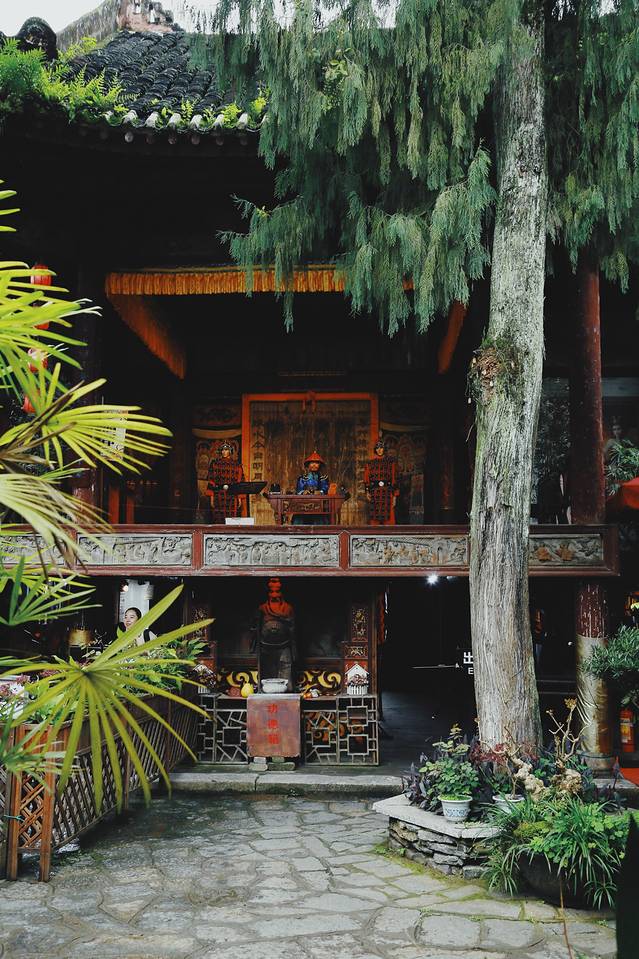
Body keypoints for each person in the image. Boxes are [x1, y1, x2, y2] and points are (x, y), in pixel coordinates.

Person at [252, 578, 296, 691]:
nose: (274, 595)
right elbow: (256, 626)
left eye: (277, 592)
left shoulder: (288, 608)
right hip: (265, 646)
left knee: (286, 668)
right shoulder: (262, 608)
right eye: (272, 592)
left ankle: (287, 692)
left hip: (284, 645)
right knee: (266, 671)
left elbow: (292, 627)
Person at [206, 441, 244, 523]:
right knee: (218, 519)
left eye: (226, 450)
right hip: (218, 495)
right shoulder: (215, 464)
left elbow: (239, 481)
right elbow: (211, 481)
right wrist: (211, 498)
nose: (224, 452)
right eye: (222, 450)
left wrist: (239, 498)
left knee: (231, 520)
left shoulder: (236, 465)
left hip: (232, 495)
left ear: (230, 451)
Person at [364, 438, 398, 525]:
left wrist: (395, 496)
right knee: (374, 520)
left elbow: (394, 478)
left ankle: (389, 534)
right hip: (375, 493)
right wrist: (367, 491)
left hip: (387, 493)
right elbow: (366, 478)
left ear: (384, 449)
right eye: (377, 448)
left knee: (389, 520)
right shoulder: (370, 463)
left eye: (381, 447)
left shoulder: (391, 463)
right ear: (375, 449)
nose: (379, 450)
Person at [293, 450, 329, 524]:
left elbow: (325, 488)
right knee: (298, 519)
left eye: (316, 463)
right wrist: (303, 492)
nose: (314, 465)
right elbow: (299, 490)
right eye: (312, 463)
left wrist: (320, 492)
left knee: (321, 518)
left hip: (319, 504)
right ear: (308, 465)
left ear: (319, 465)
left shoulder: (323, 478)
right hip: (304, 504)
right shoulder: (302, 478)